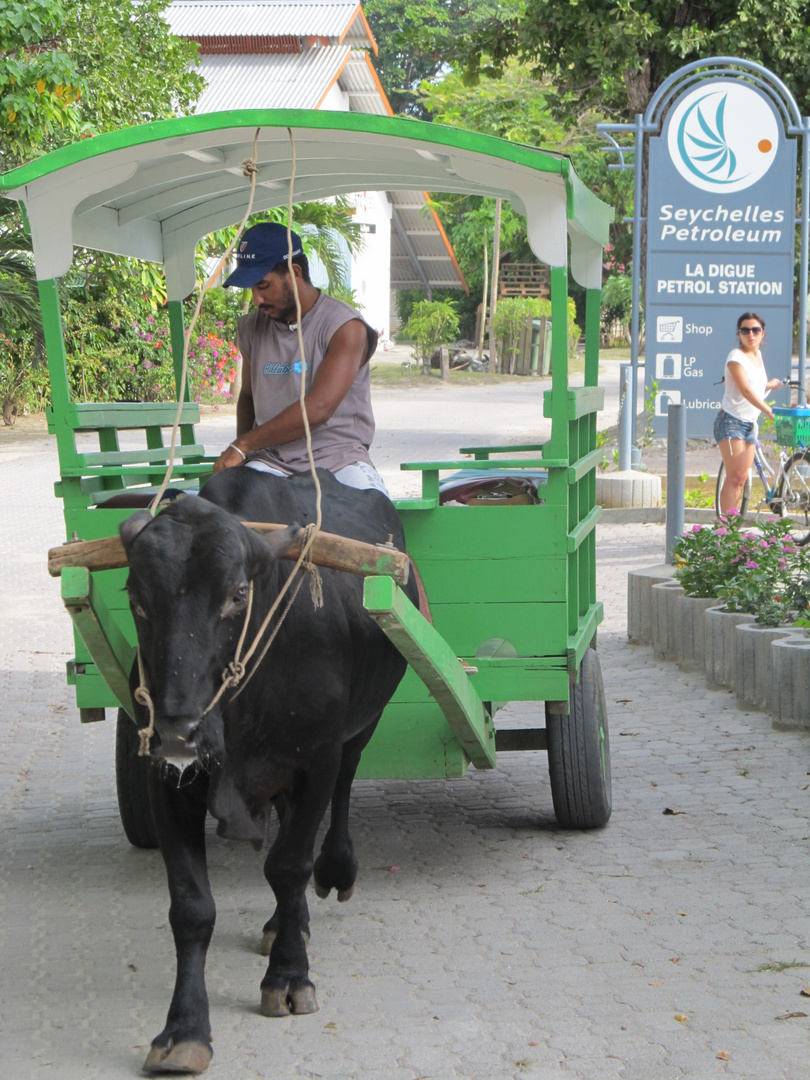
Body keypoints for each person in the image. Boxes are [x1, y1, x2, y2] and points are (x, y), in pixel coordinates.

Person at [213, 221, 389, 494]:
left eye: (263, 285)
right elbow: (247, 396)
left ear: (294, 273)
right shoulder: (251, 328)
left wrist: (243, 445)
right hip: (270, 463)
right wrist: (244, 455)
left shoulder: (344, 327)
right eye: (251, 289)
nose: (256, 299)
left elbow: (319, 409)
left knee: (377, 517)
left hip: (339, 461)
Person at [714, 312, 782, 514]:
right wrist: (769, 411)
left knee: (742, 478)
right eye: (745, 330)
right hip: (731, 422)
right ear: (739, 333)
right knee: (734, 477)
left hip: (751, 424)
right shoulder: (735, 357)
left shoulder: (757, 356)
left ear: (763, 333)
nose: (750, 334)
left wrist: (771, 384)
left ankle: (731, 526)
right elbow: (745, 389)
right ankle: (725, 531)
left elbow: (756, 386)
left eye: (755, 330)